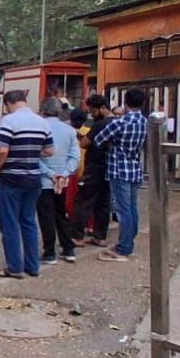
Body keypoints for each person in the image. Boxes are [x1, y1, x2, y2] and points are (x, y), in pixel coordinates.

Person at [0, 90, 54, 279]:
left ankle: (15, 267)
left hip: (10, 178)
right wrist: (31, 153)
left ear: (9, 103)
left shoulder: (9, 121)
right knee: (28, 222)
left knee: (9, 223)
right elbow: (49, 151)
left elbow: (2, 151)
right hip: (34, 179)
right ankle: (32, 266)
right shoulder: (42, 122)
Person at [90, 88, 148, 263]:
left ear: (125, 102)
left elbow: (98, 140)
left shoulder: (120, 122)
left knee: (123, 210)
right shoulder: (145, 122)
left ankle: (124, 247)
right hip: (135, 167)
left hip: (118, 168)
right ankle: (129, 240)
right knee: (131, 207)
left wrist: (113, 144)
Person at [37, 101, 79, 265]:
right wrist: (64, 174)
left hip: (43, 179)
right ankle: (68, 248)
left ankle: (49, 252)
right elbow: (75, 157)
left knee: (46, 215)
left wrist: (51, 174)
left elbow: (35, 156)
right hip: (63, 181)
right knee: (61, 213)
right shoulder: (69, 130)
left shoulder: (39, 128)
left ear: (42, 110)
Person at [72, 94, 113, 247]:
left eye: (92, 111)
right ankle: (100, 236)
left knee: (83, 201)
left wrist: (82, 137)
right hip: (109, 168)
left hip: (94, 167)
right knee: (103, 203)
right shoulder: (116, 122)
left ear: (102, 108)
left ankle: (77, 236)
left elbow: (84, 143)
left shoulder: (99, 124)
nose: (91, 114)